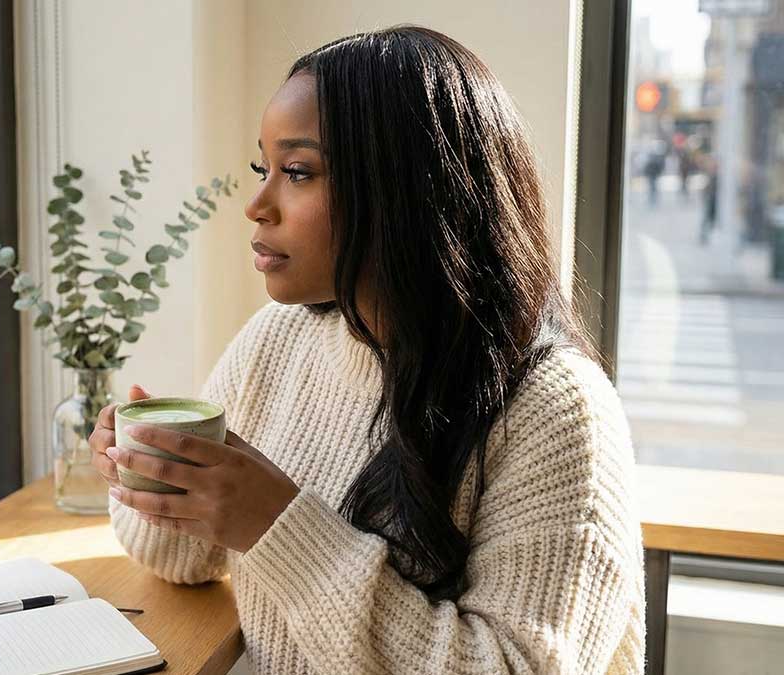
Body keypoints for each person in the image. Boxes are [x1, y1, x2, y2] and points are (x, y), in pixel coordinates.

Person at [91, 27, 644, 674]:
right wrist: (153, 477)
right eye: (260, 168)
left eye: (297, 172)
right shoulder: (279, 338)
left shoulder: (556, 409)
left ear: (408, 191)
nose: (256, 205)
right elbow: (186, 561)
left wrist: (279, 527)